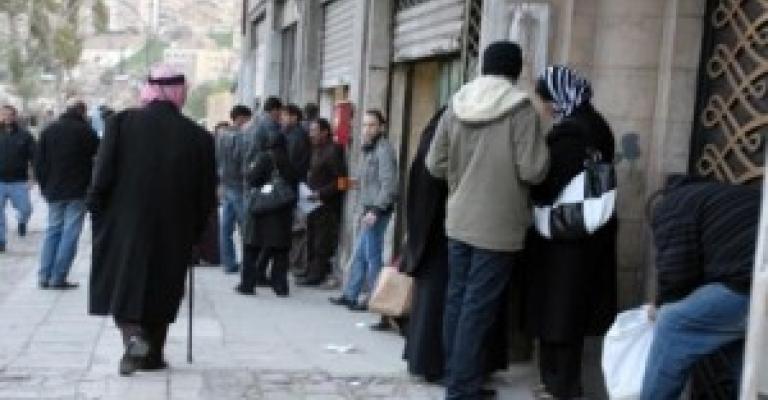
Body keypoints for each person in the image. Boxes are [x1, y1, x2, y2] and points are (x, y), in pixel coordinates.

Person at [425, 41, 550, 399]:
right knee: (478, 307)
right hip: (499, 224)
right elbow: (533, 170)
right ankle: (462, 387)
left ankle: (456, 377)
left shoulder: (457, 103)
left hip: (459, 217)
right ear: (516, 70)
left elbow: (434, 164)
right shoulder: (520, 109)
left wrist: (460, 179)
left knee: (457, 299)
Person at [87, 65, 216, 376]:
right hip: (175, 226)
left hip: (124, 222)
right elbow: (206, 193)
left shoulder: (121, 123)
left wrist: (97, 211)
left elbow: (101, 176)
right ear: (180, 92)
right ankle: (153, 355)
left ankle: (133, 338)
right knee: (164, 287)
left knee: (123, 284)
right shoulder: (199, 136)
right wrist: (197, 232)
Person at [524, 65, 618, 400]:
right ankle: (559, 383)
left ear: (559, 98)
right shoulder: (597, 124)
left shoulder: (570, 134)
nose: (545, 108)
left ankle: (559, 386)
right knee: (571, 311)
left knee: (558, 313)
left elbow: (547, 183)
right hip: (589, 236)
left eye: (546, 100)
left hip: (564, 239)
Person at [640, 176, 760, 400]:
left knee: (673, 322)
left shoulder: (672, 206)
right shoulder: (718, 197)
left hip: (751, 285)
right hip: (752, 281)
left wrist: (659, 306)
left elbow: (677, 274)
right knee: (739, 343)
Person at [329, 109, 398, 311]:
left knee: (372, 257)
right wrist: (340, 184)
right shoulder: (369, 149)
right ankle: (350, 295)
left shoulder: (383, 150)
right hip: (367, 209)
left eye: (372, 125)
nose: (367, 129)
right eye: (365, 125)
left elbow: (389, 185)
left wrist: (375, 210)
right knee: (360, 254)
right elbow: (363, 181)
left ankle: (374, 299)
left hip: (377, 211)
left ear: (382, 127)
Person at [34, 100, 99, 289]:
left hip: (53, 189)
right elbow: (99, 156)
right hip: (77, 190)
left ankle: (44, 275)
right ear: (82, 112)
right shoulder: (86, 131)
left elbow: (39, 162)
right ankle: (58, 277)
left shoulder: (48, 131)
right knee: (70, 232)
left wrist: (44, 186)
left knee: (52, 230)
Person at [235, 130, 298, 297]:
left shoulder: (264, 158)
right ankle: (280, 286)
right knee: (280, 251)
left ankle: (247, 284)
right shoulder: (288, 160)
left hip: (262, 211)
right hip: (282, 213)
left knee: (251, 248)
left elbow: (251, 178)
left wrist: (249, 168)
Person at [296, 118, 347, 287]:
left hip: (326, 204)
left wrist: (321, 193)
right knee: (311, 236)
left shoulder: (333, 151)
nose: (311, 134)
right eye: (310, 131)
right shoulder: (316, 149)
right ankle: (310, 269)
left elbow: (342, 181)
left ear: (325, 132)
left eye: (315, 131)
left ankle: (317, 274)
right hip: (312, 202)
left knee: (321, 240)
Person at [241, 96, 283, 286]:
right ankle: (257, 276)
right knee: (261, 237)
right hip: (264, 190)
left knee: (253, 238)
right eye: (280, 113)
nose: (281, 117)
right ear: (274, 110)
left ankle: (251, 279)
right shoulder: (269, 128)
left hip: (254, 187)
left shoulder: (251, 126)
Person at [217, 106, 252, 274]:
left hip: (226, 184)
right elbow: (242, 161)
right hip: (239, 185)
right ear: (241, 118)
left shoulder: (221, 135)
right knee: (246, 228)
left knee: (226, 228)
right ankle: (248, 263)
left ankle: (228, 263)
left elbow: (217, 159)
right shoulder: (241, 137)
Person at [0, 105, 35, 252]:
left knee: (26, 209)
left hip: (19, 181)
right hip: (0, 181)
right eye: (4, 114)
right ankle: (1, 241)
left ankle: (22, 221)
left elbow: (34, 157)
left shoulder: (25, 135)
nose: (7, 117)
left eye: (10, 115)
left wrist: (32, 178)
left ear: (15, 116)